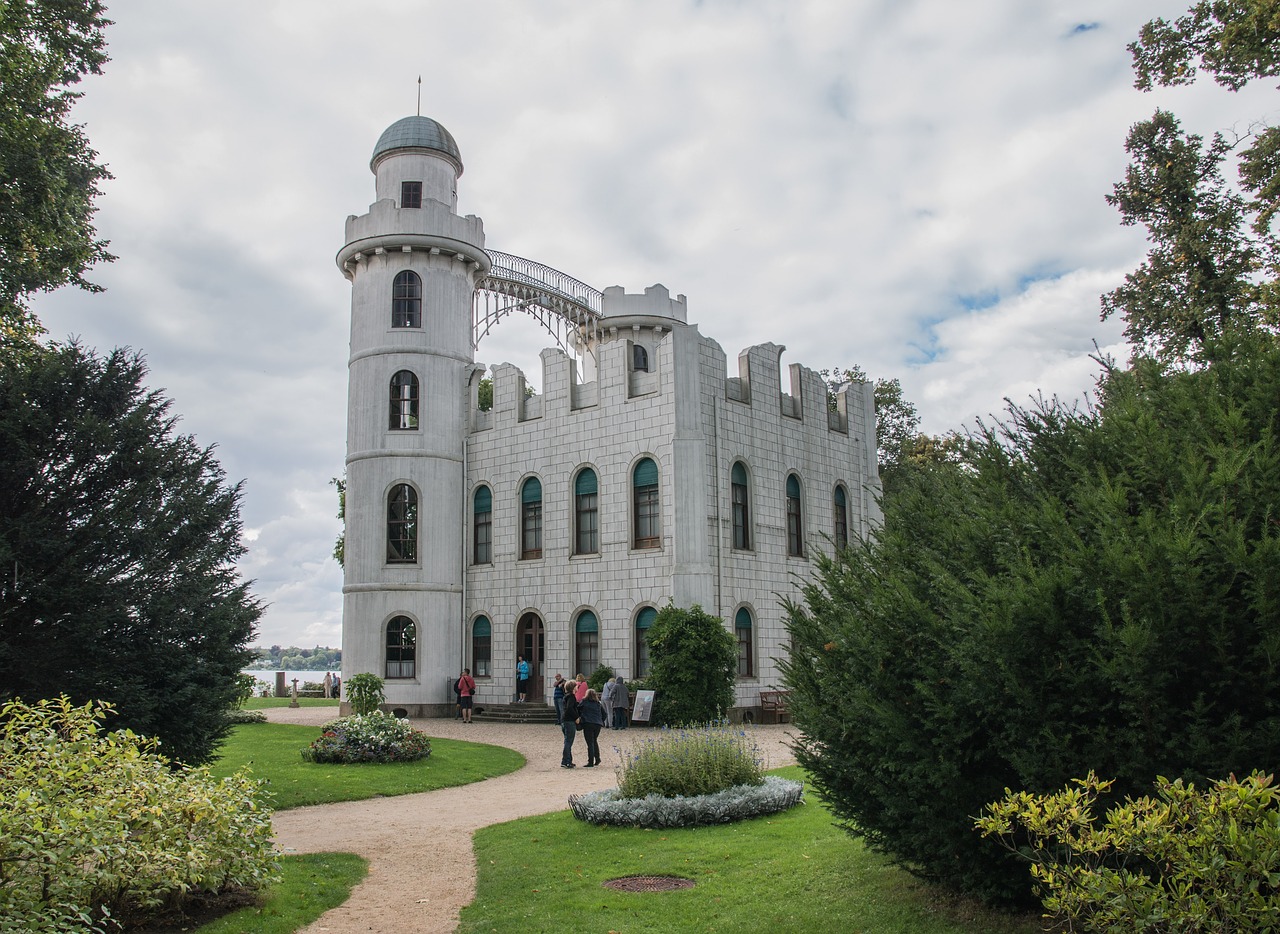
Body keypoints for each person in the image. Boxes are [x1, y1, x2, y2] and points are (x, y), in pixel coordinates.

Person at [578, 688, 607, 768]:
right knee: (594, 741)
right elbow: (604, 714)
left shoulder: (584, 702)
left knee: (590, 742)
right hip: (597, 724)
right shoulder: (598, 703)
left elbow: (578, 710)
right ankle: (597, 758)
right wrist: (600, 720)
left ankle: (590, 761)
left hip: (588, 723)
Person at [560, 679, 580, 768]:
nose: (577, 688)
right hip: (569, 721)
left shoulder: (566, 696)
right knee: (568, 742)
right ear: (573, 687)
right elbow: (570, 708)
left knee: (567, 741)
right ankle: (567, 761)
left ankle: (566, 760)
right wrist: (576, 717)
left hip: (565, 720)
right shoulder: (571, 696)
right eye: (576, 686)